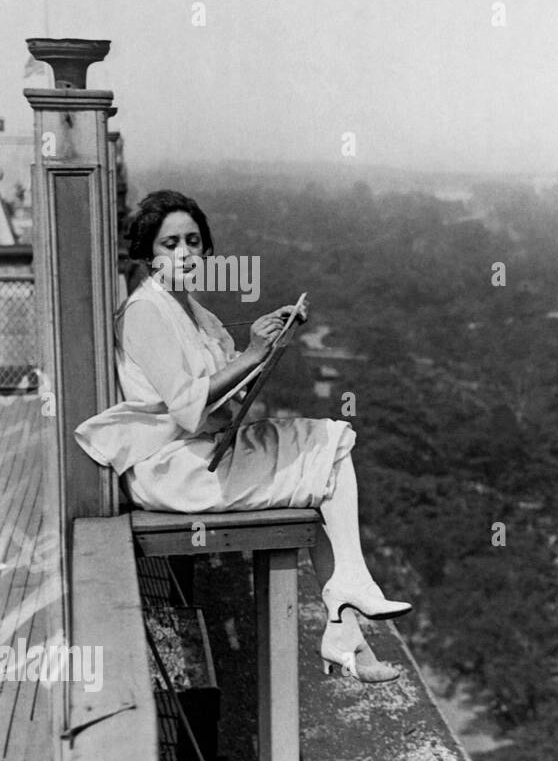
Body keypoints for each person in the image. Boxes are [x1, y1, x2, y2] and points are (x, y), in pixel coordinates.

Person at [75, 189, 406, 683]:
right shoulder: (146, 312)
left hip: (202, 451)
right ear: (147, 256)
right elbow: (189, 403)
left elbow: (223, 397)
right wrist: (252, 354)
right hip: (174, 468)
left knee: (323, 466)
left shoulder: (191, 309)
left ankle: (346, 633)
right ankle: (348, 599)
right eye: (169, 245)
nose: (184, 253)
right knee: (330, 444)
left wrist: (267, 345)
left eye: (193, 241)